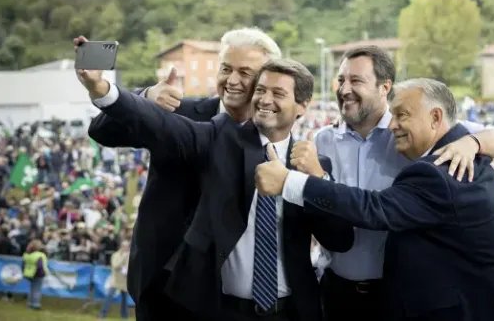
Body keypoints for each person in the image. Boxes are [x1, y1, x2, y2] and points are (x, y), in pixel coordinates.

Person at [78, 56, 355, 321]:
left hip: (289, 312)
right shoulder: (219, 136)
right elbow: (161, 124)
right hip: (218, 311)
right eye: (260, 90)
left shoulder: (313, 164)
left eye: (278, 93)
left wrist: (318, 180)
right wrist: (103, 89)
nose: (265, 99)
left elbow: (339, 239)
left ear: (303, 105)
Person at [256, 78, 494, 321]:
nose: (392, 126)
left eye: (402, 115)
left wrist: (290, 182)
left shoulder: (442, 172)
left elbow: (374, 208)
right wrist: (475, 141)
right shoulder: (458, 149)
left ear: (435, 118)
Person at [86, 28, 282, 320]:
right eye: (226, 68)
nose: (232, 80)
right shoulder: (180, 109)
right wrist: (149, 96)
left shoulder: (274, 137)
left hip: (230, 290)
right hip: (163, 282)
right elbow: (102, 130)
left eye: (245, 72)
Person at [99, 239, 131, 319]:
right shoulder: (115, 255)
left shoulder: (131, 256)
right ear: (121, 246)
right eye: (124, 246)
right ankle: (102, 315)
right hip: (115, 280)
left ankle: (125, 317)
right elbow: (115, 266)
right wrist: (123, 258)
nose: (126, 248)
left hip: (124, 281)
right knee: (109, 296)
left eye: (127, 246)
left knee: (124, 300)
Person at [22, 239, 48, 311]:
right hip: (37, 274)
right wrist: (42, 273)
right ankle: (36, 304)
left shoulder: (26, 254)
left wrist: (24, 272)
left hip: (29, 274)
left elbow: (23, 264)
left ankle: (29, 303)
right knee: (36, 290)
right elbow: (40, 266)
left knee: (31, 289)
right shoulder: (40, 255)